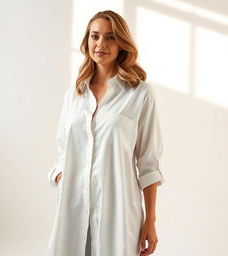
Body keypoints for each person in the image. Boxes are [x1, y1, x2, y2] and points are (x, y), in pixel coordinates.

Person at [47, 10, 165, 256]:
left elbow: (148, 165)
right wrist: (62, 177)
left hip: (119, 209)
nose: (101, 44)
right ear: (87, 41)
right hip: (74, 207)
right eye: (95, 36)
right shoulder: (74, 95)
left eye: (110, 37)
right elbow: (62, 150)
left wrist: (150, 222)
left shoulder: (140, 94)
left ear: (121, 43)